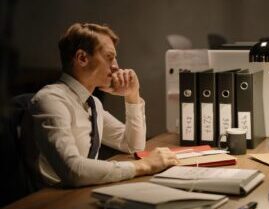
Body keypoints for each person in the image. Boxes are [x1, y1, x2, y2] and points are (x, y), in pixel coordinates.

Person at [27, 22, 179, 188]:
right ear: (82, 58)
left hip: (81, 191)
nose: (116, 67)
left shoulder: (93, 104)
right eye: (109, 57)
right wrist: (143, 166)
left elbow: (132, 145)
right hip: (50, 200)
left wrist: (132, 95)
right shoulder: (51, 100)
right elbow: (73, 171)